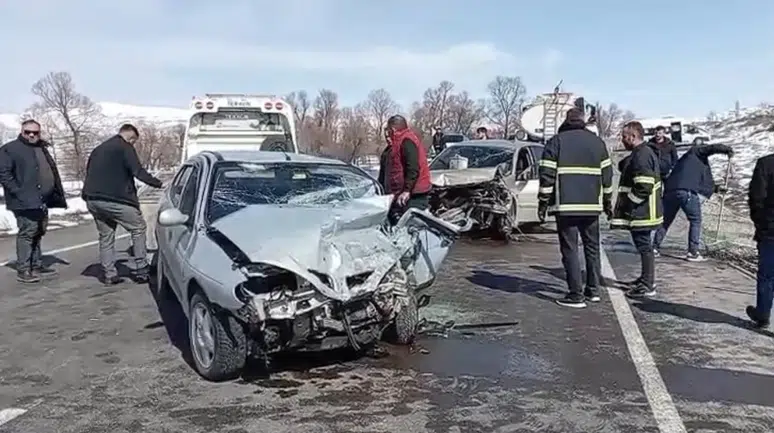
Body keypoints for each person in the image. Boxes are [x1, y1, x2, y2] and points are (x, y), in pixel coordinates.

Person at [538, 108, 614, 308]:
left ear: (566, 120)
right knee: (592, 248)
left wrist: (543, 202)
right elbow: (607, 175)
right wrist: (607, 201)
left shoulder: (556, 141)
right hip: (591, 207)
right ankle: (593, 290)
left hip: (566, 206)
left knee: (570, 249)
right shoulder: (597, 143)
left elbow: (546, 174)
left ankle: (575, 295)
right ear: (583, 121)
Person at [81, 124, 163, 285]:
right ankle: (142, 270)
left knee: (106, 236)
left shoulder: (99, 149)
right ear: (131, 138)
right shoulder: (124, 147)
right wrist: (159, 184)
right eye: (133, 141)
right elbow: (138, 171)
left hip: (93, 200)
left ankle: (109, 274)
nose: (133, 144)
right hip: (116, 200)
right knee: (138, 228)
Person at [0, 119, 67, 283]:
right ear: (21, 132)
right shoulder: (10, 149)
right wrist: (18, 191)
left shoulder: (40, 147)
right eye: (27, 132)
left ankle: (36, 264)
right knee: (28, 231)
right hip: (23, 200)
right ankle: (23, 269)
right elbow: (4, 174)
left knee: (38, 231)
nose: (31, 135)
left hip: (41, 199)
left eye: (35, 132)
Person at [652, 143, 734, 261]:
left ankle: (654, 248)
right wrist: (727, 150)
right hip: (686, 192)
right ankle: (693, 252)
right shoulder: (696, 151)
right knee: (695, 220)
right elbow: (711, 148)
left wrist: (716, 189)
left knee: (666, 221)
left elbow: (699, 183)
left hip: (670, 191)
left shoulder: (685, 162)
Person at [610, 121, 663, 298]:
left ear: (633, 136)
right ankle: (645, 279)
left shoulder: (642, 155)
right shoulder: (641, 153)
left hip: (642, 212)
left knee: (644, 248)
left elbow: (644, 186)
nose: (622, 140)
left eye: (624, 137)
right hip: (643, 211)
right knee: (644, 247)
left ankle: (648, 284)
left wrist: (630, 204)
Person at [377, 115, 432, 225]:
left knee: (410, 225)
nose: (387, 135)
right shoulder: (392, 147)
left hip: (413, 195)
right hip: (397, 195)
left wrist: (406, 191)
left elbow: (413, 168)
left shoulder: (407, 141)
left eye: (388, 131)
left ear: (392, 129)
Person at [746, 153, 774, 328]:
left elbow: (756, 198)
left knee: (767, 275)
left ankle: (763, 314)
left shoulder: (766, 163)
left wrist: (760, 224)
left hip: (770, 230)